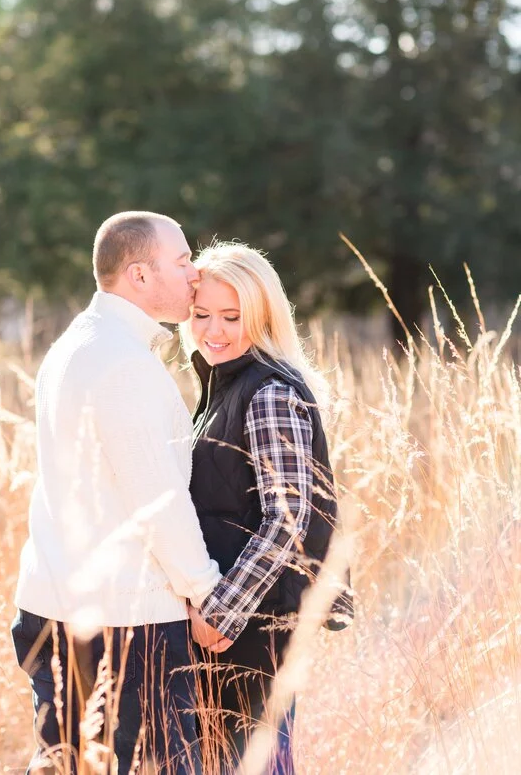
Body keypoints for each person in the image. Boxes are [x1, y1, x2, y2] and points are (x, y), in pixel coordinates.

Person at [11, 211, 228, 774]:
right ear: (138, 275)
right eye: (181, 261)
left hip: (54, 603)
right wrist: (207, 592)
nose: (194, 273)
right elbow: (156, 499)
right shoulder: (122, 363)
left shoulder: (75, 347)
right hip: (128, 624)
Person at [181, 241, 353, 774]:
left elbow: (288, 518)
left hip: (250, 626)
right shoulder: (223, 384)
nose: (214, 330)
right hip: (232, 624)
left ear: (263, 316)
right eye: (202, 314)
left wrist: (221, 612)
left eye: (233, 316)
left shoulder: (268, 392)